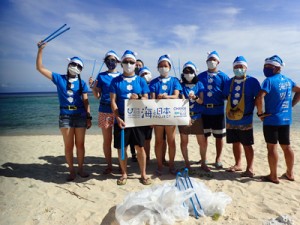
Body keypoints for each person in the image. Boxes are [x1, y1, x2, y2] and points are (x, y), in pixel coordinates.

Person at [36, 41, 92, 182]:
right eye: (73, 64)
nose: (75, 67)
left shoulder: (82, 83)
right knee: (69, 145)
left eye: (79, 66)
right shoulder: (59, 78)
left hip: (80, 116)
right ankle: (71, 171)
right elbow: (40, 68)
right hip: (65, 116)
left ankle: (81, 169)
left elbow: (86, 101)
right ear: (68, 65)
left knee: (80, 145)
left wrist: (89, 117)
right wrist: (40, 50)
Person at [256, 55, 300, 184]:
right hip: (285, 120)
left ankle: (273, 176)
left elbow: (259, 97)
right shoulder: (288, 81)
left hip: (271, 120)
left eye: (269, 66)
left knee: (272, 147)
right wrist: (291, 105)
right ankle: (290, 173)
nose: (266, 69)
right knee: (286, 147)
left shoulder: (269, 80)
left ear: (277, 68)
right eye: (265, 66)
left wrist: (260, 113)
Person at [110, 50, 151, 185]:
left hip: (137, 118)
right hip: (121, 118)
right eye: (126, 62)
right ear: (121, 63)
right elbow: (113, 101)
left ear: (135, 64)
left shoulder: (141, 80)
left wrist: (138, 97)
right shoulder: (115, 81)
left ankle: (143, 174)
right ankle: (124, 173)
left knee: (140, 147)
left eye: (131, 62)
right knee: (122, 148)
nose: (129, 64)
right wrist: (117, 118)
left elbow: (146, 98)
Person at [223, 56, 261, 178]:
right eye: (236, 67)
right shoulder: (229, 82)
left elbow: (258, 98)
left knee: (247, 144)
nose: (238, 69)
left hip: (246, 119)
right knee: (235, 142)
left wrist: (259, 112)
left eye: (241, 66)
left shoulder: (253, 81)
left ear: (246, 68)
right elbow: (225, 97)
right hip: (230, 118)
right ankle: (238, 164)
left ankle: (250, 168)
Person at [149, 54, 182, 176]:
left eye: (165, 65)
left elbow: (176, 96)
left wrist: (166, 96)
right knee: (158, 142)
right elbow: (151, 100)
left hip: (171, 115)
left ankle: (172, 165)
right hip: (158, 115)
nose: (163, 68)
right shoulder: (153, 82)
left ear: (169, 67)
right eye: (161, 66)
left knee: (171, 141)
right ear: (158, 67)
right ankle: (159, 165)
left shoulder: (174, 81)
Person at [89, 50, 121, 174]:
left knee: (120, 139)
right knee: (107, 140)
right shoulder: (101, 76)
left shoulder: (121, 76)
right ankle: (109, 165)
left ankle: (120, 164)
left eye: (113, 59)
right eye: (108, 59)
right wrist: (92, 87)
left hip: (119, 110)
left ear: (118, 62)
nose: (110, 62)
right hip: (105, 110)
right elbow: (97, 96)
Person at [197, 51, 230, 169]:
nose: (211, 62)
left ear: (218, 62)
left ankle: (218, 158)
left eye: (213, 60)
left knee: (219, 137)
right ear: (206, 62)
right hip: (204, 111)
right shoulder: (200, 76)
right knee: (203, 136)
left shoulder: (224, 77)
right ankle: (204, 158)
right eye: (209, 60)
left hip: (218, 111)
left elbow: (228, 94)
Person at [178, 61, 208, 172]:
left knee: (202, 141)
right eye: (186, 71)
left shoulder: (199, 84)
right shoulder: (181, 85)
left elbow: (201, 101)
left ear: (195, 72)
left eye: (190, 71)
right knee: (184, 142)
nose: (188, 73)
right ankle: (187, 163)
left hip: (197, 116)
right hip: (184, 117)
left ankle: (203, 162)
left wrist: (195, 98)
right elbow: (179, 101)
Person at [129, 59, 145, 162]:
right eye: (137, 65)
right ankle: (133, 154)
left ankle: (143, 156)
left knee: (141, 138)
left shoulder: (143, 78)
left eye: (140, 65)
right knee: (130, 136)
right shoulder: (131, 78)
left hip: (142, 113)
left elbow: (146, 95)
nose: (138, 67)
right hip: (130, 112)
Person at [138, 66, 153, 161]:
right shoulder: (138, 85)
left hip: (151, 116)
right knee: (140, 140)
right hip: (139, 116)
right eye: (142, 74)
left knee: (148, 139)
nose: (144, 76)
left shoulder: (154, 85)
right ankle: (141, 157)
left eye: (146, 73)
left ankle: (147, 157)